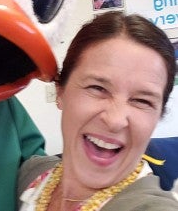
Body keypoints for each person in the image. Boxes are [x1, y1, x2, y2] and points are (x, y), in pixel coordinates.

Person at [18, 11, 178, 211]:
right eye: (98, 88)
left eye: (141, 101)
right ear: (60, 90)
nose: (115, 120)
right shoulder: (28, 175)